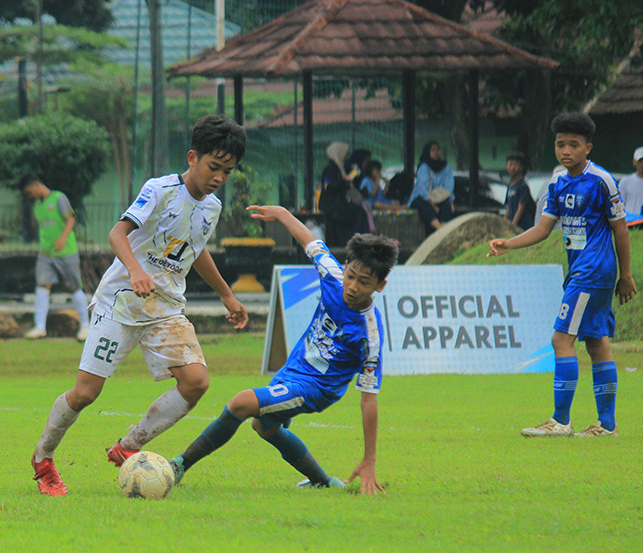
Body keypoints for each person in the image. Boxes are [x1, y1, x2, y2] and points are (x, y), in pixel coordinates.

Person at [30, 114, 249, 496]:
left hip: (165, 307)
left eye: (227, 172)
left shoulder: (211, 207)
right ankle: (43, 458)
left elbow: (195, 250)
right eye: (214, 167)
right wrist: (135, 271)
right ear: (193, 157)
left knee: (196, 382)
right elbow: (117, 233)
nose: (219, 177)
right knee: (85, 393)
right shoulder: (160, 190)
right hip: (121, 302)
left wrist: (226, 294)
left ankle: (128, 446)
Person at [168, 205, 398, 496]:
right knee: (264, 426)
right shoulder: (333, 276)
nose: (352, 286)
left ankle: (179, 465)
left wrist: (369, 460)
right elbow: (310, 241)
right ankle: (323, 482)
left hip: (317, 388)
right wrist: (283, 214)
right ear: (345, 266)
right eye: (351, 275)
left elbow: (369, 399)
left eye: (364, 282)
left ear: (380, 285)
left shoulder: (370, 333)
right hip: (293, 369)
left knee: (240, 403)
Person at [488, 111, 635, 437]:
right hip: (581, 270)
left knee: (561, 339)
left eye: (573, 145)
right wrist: (509, 244)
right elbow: (543, 229)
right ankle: (606, 425)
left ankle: (560, 421)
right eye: (560, 144)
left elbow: (620, 229)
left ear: (588, 148)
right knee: (596, 342)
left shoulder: (601, 180)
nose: (566, 150)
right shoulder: (556, 183)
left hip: (593, 270)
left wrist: (626, 275)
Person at [17, 174, 90, 341]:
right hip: (46, 254)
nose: (29, 196)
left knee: (74, 287)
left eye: (29, 192)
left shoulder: (59, 198)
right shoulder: (37, 206)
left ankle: (85, 326)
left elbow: (70, 220)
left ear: (36, 185)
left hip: (66, 252)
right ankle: (40, 327)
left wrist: (62, 238)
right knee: (42, 286)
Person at [318, 142, 370, 247]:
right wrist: (344, 181)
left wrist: (352, 175)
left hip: (337, 205)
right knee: (359, 213)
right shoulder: (331, 169)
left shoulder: (339, 167)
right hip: (333, 206)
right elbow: (328, 186)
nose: (347, 156)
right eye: (345, 153)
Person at [408, 140, 455, 234]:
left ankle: (444, 229)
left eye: (438, 149)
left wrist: (449, 200)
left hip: (440, 197)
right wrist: (432, 204)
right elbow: (422, 190)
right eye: (433, 150)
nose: (436, 152)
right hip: (423, 198)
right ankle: (441, 230)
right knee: (423, 205)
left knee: (446, 205)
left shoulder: (445, 167)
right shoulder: (424, 167)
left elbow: (449, 187)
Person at [503, 152, 535, 230]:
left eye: (516, 165)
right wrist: (504, 224)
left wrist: (513, 226)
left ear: (521, 167)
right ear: (506, 166)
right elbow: (508, 208)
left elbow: (521, 208)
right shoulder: (510, 186)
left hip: (523, 227)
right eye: (510, 164)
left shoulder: (523, 186)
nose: (512, 168)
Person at [617, 146, 643, 219]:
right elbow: (619, 205)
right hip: (630, 222)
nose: (642, 164)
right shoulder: (625, 181)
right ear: (634, 162)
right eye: (640, 161)